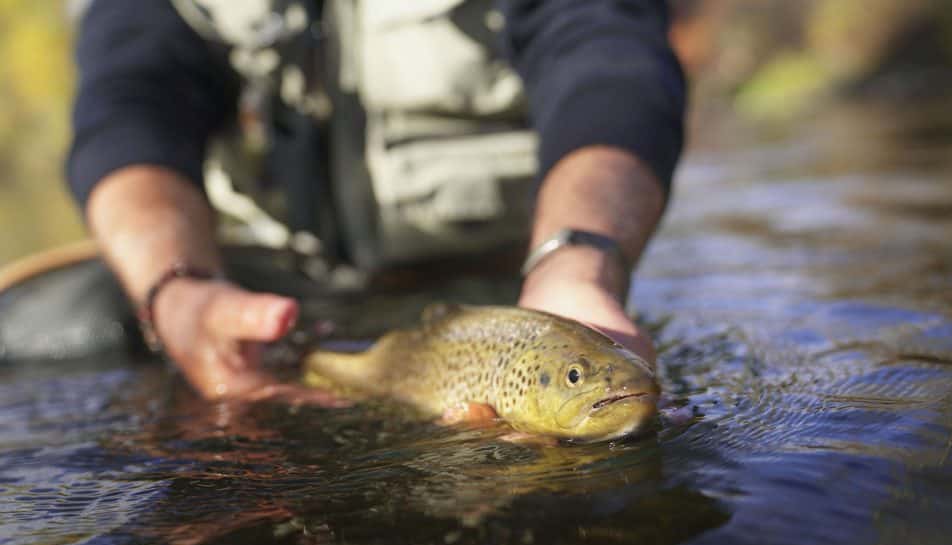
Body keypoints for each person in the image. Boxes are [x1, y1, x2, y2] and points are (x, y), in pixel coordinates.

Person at [66, 0, 686, 398]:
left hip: (516, 282)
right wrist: (175, 288)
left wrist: (577, 261)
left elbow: (609, 56)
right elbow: (126, 105)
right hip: (259, 291)